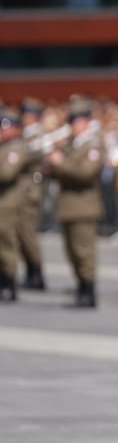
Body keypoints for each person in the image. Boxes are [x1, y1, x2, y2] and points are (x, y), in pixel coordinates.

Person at [44, 97, 104, 308]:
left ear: (85, 122)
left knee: (84, 252)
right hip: (69, 206)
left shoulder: (93, 144)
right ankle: (80, 287)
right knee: (72, 252)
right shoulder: (71, 145)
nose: (71, 126)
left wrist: (61, 163)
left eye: (74, 121)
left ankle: (88, 291)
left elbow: (86, 173)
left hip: (83, 206)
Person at [18, 97, 47, 290]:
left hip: (30, 191)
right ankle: (30, 271)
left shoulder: (36, 137)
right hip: (22, 191)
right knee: (21, 233)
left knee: (27, 233)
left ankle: (36, 273)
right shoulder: (26, 135)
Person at [0, 106, 27, 302]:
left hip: (9, 205)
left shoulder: (16, 148)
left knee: (7, 246)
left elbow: (6, 173)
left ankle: (9, 283)